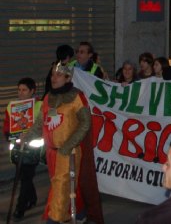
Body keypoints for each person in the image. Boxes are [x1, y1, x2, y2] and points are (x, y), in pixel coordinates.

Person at [23, 63, 103, 224]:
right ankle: (79, 212)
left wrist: (68, 145)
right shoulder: (47, 98)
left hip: (69, 152)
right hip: (51, 152)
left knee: (60, 185)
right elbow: (40, 123)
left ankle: (53, 219)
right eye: (53, 74)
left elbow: (85, 123)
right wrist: (27, 137)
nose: (54, 78)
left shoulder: (77, 97)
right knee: (64, 185)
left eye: (59, 75)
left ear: (68, 78)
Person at [4, 77, 42, 219]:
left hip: (33, 150)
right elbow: (7, 126)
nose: (21, 93)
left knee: (25, 178)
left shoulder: (40, 105)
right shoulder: (12, 106)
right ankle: (32, 198)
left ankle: (20, 208)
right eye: (19, 90)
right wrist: (9, 135)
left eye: (24, 90)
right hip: (17, 150)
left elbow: (44, 126)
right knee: (25, 177)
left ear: (32, 91)